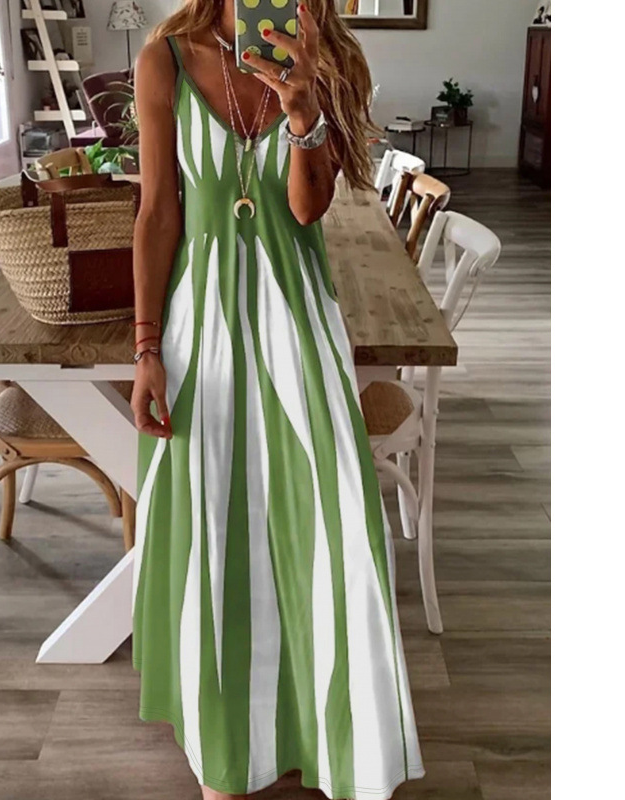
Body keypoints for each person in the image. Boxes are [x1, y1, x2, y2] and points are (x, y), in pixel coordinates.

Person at [129, 1, 425, 798]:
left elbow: (305, 208)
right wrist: (147, 348)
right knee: (213, 523)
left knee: (325, 522)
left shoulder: (319, 58)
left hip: (297, 321)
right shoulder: (164, 60)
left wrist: (303, 113)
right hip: (199, 326)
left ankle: (330, 732)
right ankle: (225, 747)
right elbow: (157, 212)